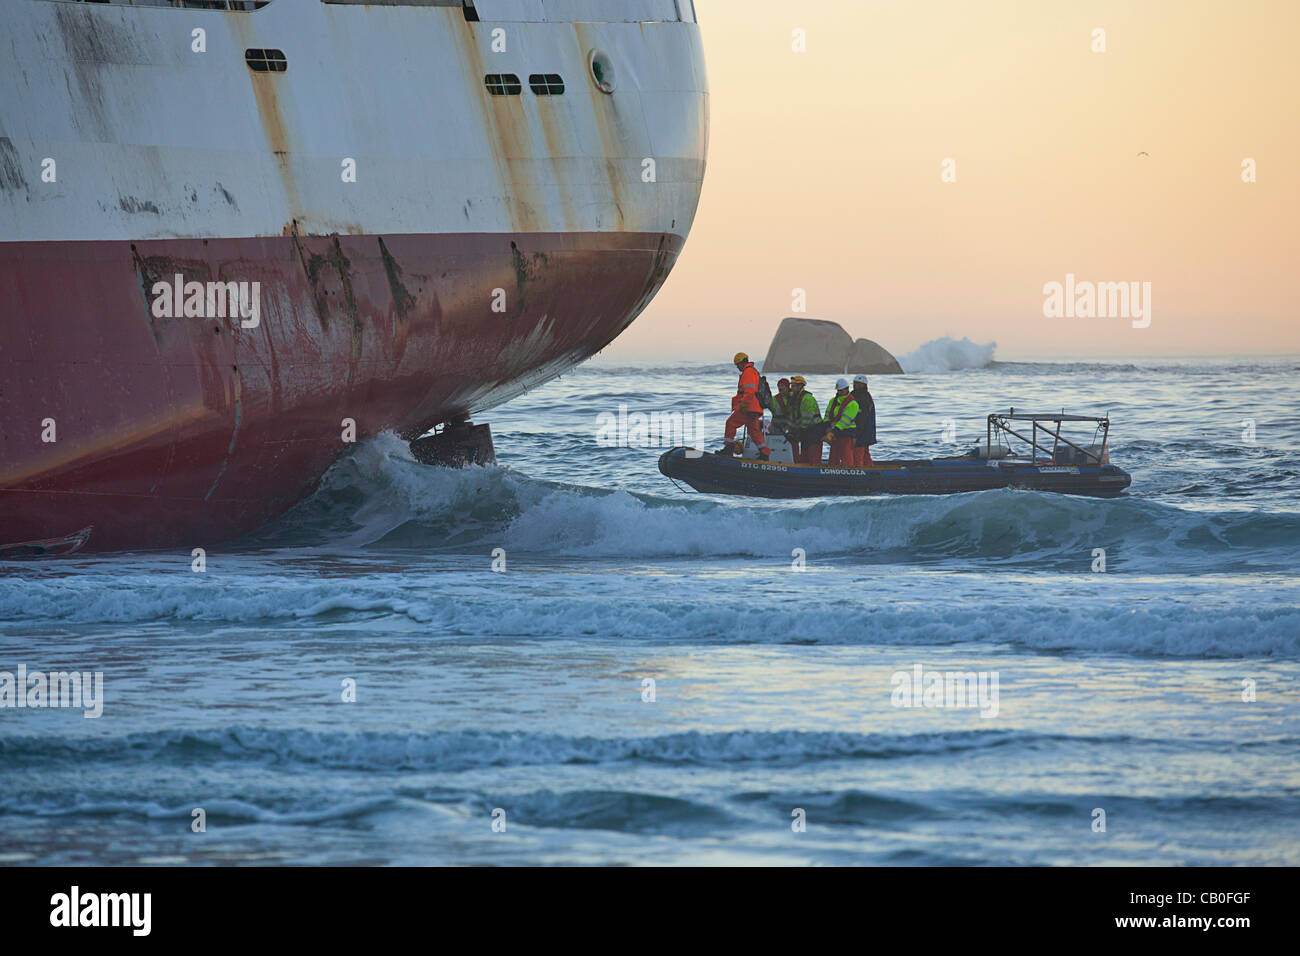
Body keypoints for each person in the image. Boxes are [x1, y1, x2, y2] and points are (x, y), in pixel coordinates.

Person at [716, 351, 770, 460]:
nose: (737, 368)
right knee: (754, 431)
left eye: (737, 365)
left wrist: (743, 405)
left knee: (730, 423)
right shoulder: (753, 372)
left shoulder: (748, 372)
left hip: (748, 407)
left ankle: (728, 449)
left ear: (742, 363)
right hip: (755, 408)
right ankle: (765, 454)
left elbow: (750, 391)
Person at [822, 377, 859, 467]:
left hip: (847, 434)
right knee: (833, 458)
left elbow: (844, 421)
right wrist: (827, 427)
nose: (839, 393)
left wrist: (833, 432)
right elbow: (827, 416)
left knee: (847, 458)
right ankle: (832, 473)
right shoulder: (832, 401)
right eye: (838, 391)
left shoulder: (853, 404)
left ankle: (848, 475)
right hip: (834, 433)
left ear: (847, 389)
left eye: (841, 391)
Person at [786, 375, 823, 464]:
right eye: (791, 386)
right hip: (805, 432)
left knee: (813, 457)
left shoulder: (807, 399)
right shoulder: (795, 398)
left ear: (800, 386)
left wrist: (797, 432)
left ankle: (814, 474)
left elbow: (807, 419)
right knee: (804, 457)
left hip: (814, 432)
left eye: (794, 386)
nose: (791, 388)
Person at [851, 374, 877, 467]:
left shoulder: (864, 398)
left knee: (858, 453)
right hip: (864, 430)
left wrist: (857, 432)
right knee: (864, 453)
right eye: (854, 383)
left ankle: (860, 471)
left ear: (864, 385)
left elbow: (862, 417)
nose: (855, 385)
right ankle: (870, 469)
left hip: (863, 431)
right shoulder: (856, 395)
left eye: (858, 383)